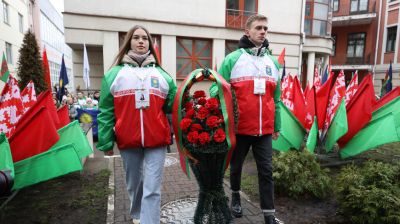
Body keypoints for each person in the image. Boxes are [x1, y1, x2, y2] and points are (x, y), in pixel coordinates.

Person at [96, 25, 177, 224]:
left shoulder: (163, 76)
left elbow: (171, 107)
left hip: (157, 140)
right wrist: (106, 142)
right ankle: (138, 214)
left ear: (150, 43)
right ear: (128, 42)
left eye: (145, 38)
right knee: (134, 184)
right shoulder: (114, 75)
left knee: (152, 187)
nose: (141, 41)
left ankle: (149, 220)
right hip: (127, 140)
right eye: (136, 38)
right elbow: (106, 111)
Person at [211, 14, 283, 224]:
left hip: (265, 131)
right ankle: (235, 195)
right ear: (247, 31)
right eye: (258, 28)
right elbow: (217, 88)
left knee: (267, 171)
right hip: (239, 129)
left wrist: (276, 126)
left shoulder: (273, 63)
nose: (263, 31)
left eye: (265, 28)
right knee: (236, 167)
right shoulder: (233, 59)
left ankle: (269, 214)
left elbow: (276, 98)